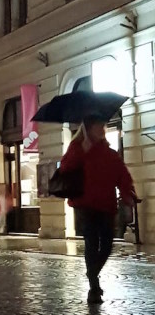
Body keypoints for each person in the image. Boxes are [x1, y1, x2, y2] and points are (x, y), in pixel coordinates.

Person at [60, 118, 138, 304]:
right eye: (98, 126)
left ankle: (92, 272)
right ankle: (94, 287)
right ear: (88, 128)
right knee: (92, 244)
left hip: (106, 205)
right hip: (85, 205)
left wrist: (127, 193)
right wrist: (81, 153)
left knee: (108, 245)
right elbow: (64, 169)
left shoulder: (109, 152)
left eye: (103, 126)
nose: (102, 129)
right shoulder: (77, 148)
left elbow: (122, 174)